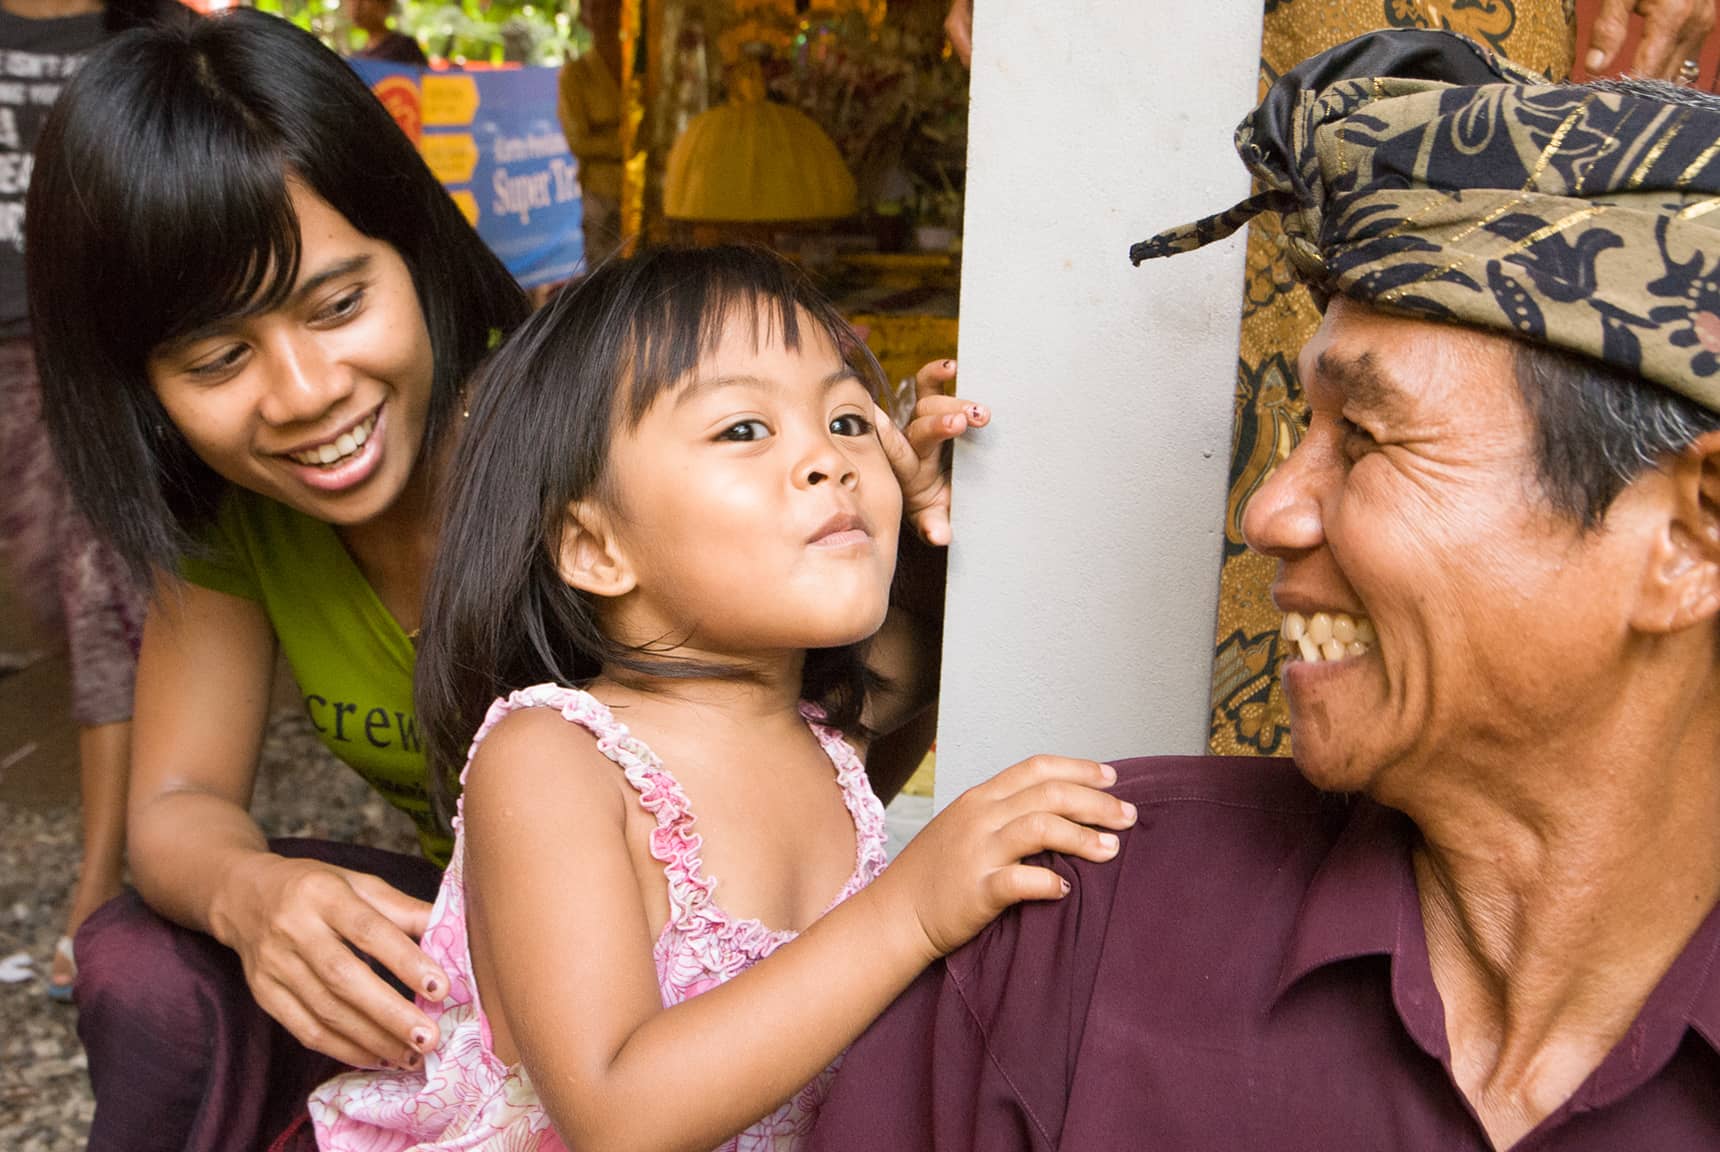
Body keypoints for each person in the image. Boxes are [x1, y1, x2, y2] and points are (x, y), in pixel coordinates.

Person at [29, 14, 959, 1148]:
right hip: (487, 984)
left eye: (336, 304)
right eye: (219, 358)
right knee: (142, 960)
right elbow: (172, 810)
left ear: (411, 250)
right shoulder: (245, 520)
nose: (305, 390)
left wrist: (896, 520)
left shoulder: (585, 438)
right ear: (141, 387)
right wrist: (257, 895)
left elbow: (837, 716)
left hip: (665, 955)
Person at [809, 29, 1720, 1150]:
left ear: (1690, 534)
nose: (1268, 514)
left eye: (1370, 437)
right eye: (1302, 430)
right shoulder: (1069, 930)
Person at [290, 244, 1137, 1151]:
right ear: (594, 547)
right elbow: (616, 1111)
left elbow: (912, 662)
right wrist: (914, 911)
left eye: (851, 421)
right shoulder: (551, 760)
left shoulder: (822, 746)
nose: (829, 459)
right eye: (744, 430)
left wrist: (932, 536)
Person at [0, 0, 189, 1003]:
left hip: (91, 349)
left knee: (100, 604)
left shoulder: (143, 32)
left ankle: (97, 884)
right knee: (56, 596)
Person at [557, 0, 623, 265]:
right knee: (607, 273)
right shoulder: (576, 74)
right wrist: (625, 146)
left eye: (608, 7)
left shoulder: (642, 66)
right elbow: (578, 142)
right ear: (585, 18)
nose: (602, 16)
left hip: (650, 192)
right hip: (602, 194)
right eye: (594, 9)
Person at [345, 0, 427, 67]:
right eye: (351, 1)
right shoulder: (357, 56)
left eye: (364, 1)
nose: (356, 8)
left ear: (384, 6)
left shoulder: (405, 46)